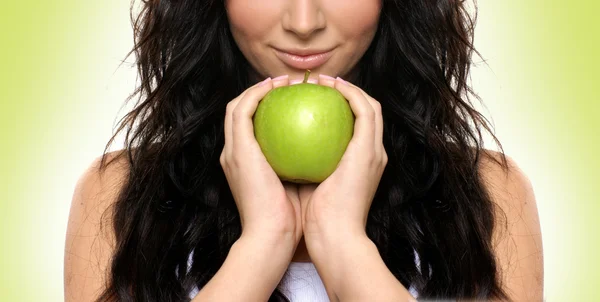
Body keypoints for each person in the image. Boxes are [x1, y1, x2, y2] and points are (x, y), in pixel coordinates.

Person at [64, 0, 544, 301]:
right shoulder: (119, 196)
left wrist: (343, 245)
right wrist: (262, 245)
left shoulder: (487, 195)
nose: (303, 22)